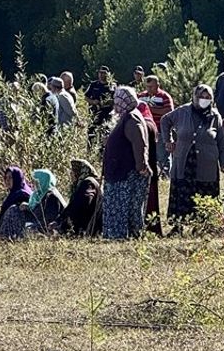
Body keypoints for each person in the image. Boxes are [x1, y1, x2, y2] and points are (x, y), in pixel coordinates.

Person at [159, 85, 224, 230]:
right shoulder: (182, 111)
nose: (204, 100)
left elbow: (222, 141)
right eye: (201, 97)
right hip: (184, 161)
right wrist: (168, 140)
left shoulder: (215, 116)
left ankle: (202, 227)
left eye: (208, 97)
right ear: (195, 97)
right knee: (183, 191)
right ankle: (178, 226)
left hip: (206, 163)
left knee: (204, 192)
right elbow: (165, 121)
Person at [102, 88, 152, 239]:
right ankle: (119, 236)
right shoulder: (127, 116)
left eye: (118, 100)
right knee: (121, 206)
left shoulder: (132, 119)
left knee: (125, 206)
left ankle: (122, 236)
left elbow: (139, 143)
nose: (115, 103)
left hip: (126, 173)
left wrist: (141, 165)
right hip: (119, 171)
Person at [0, 167, 31, 242]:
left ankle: (1, 237)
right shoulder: (15, 192)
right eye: (6, 178)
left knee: (12, 210)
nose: (7, 180)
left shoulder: (22, 194)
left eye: (10, 177)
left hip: (20, 231)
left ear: (17, 178)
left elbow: (9, 213)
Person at [136, 102, 163, 235]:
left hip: (143, 167)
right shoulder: (150, 123)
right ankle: (152, 228)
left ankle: (145, 228)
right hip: (151, 165)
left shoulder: (143, 124)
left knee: (146, 200)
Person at [60, 159, 103, 237]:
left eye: (73, 171)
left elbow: (82, 203)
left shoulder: (88, 183)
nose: (71, 174)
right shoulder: (81, 184)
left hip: (90, 230)